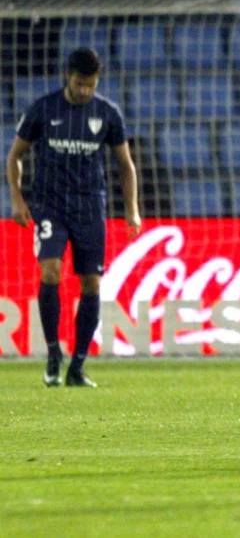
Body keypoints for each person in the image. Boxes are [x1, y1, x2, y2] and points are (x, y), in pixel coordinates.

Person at [7, 48, 141, 388]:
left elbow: (126, 167)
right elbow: (15, 156)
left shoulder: (107, 113)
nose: (84, 91)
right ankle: (53, 353)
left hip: (90, 209)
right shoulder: (44, 108)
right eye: (80, 84)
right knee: (51, 271)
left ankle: (77, 366)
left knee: (91, 284)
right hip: (50, 206)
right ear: (68, 75)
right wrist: (17, 198)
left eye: (91, 86)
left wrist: (132, 211)